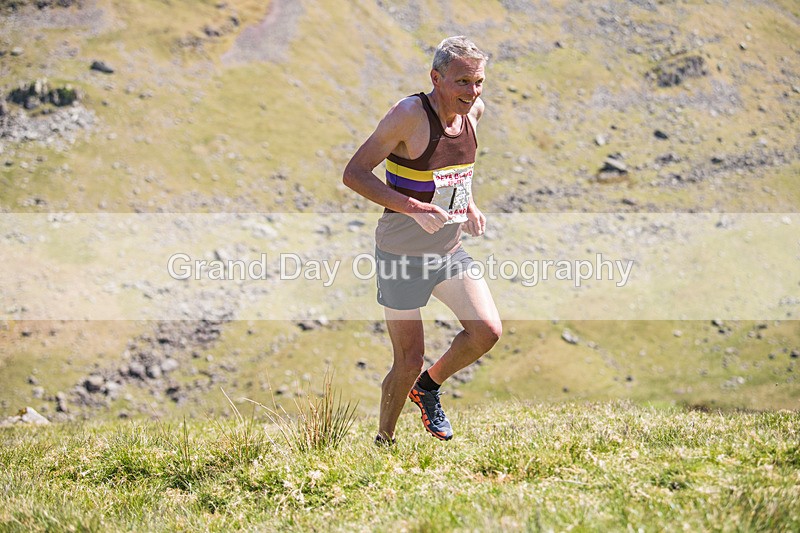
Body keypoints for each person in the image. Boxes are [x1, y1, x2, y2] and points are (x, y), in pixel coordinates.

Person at [343, 36, 502, 444]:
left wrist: (468, 205)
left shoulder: (474, 113)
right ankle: (384, 440)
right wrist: (413, 208)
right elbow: (354, 173)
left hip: (447, 249)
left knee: (486, 331)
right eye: (462, 81)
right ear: (436, 77)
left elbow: (453, 171)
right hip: (401, 253)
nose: (473, 92)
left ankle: (428, 388)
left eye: (478, 81)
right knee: (408, 359)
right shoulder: (408, 114)